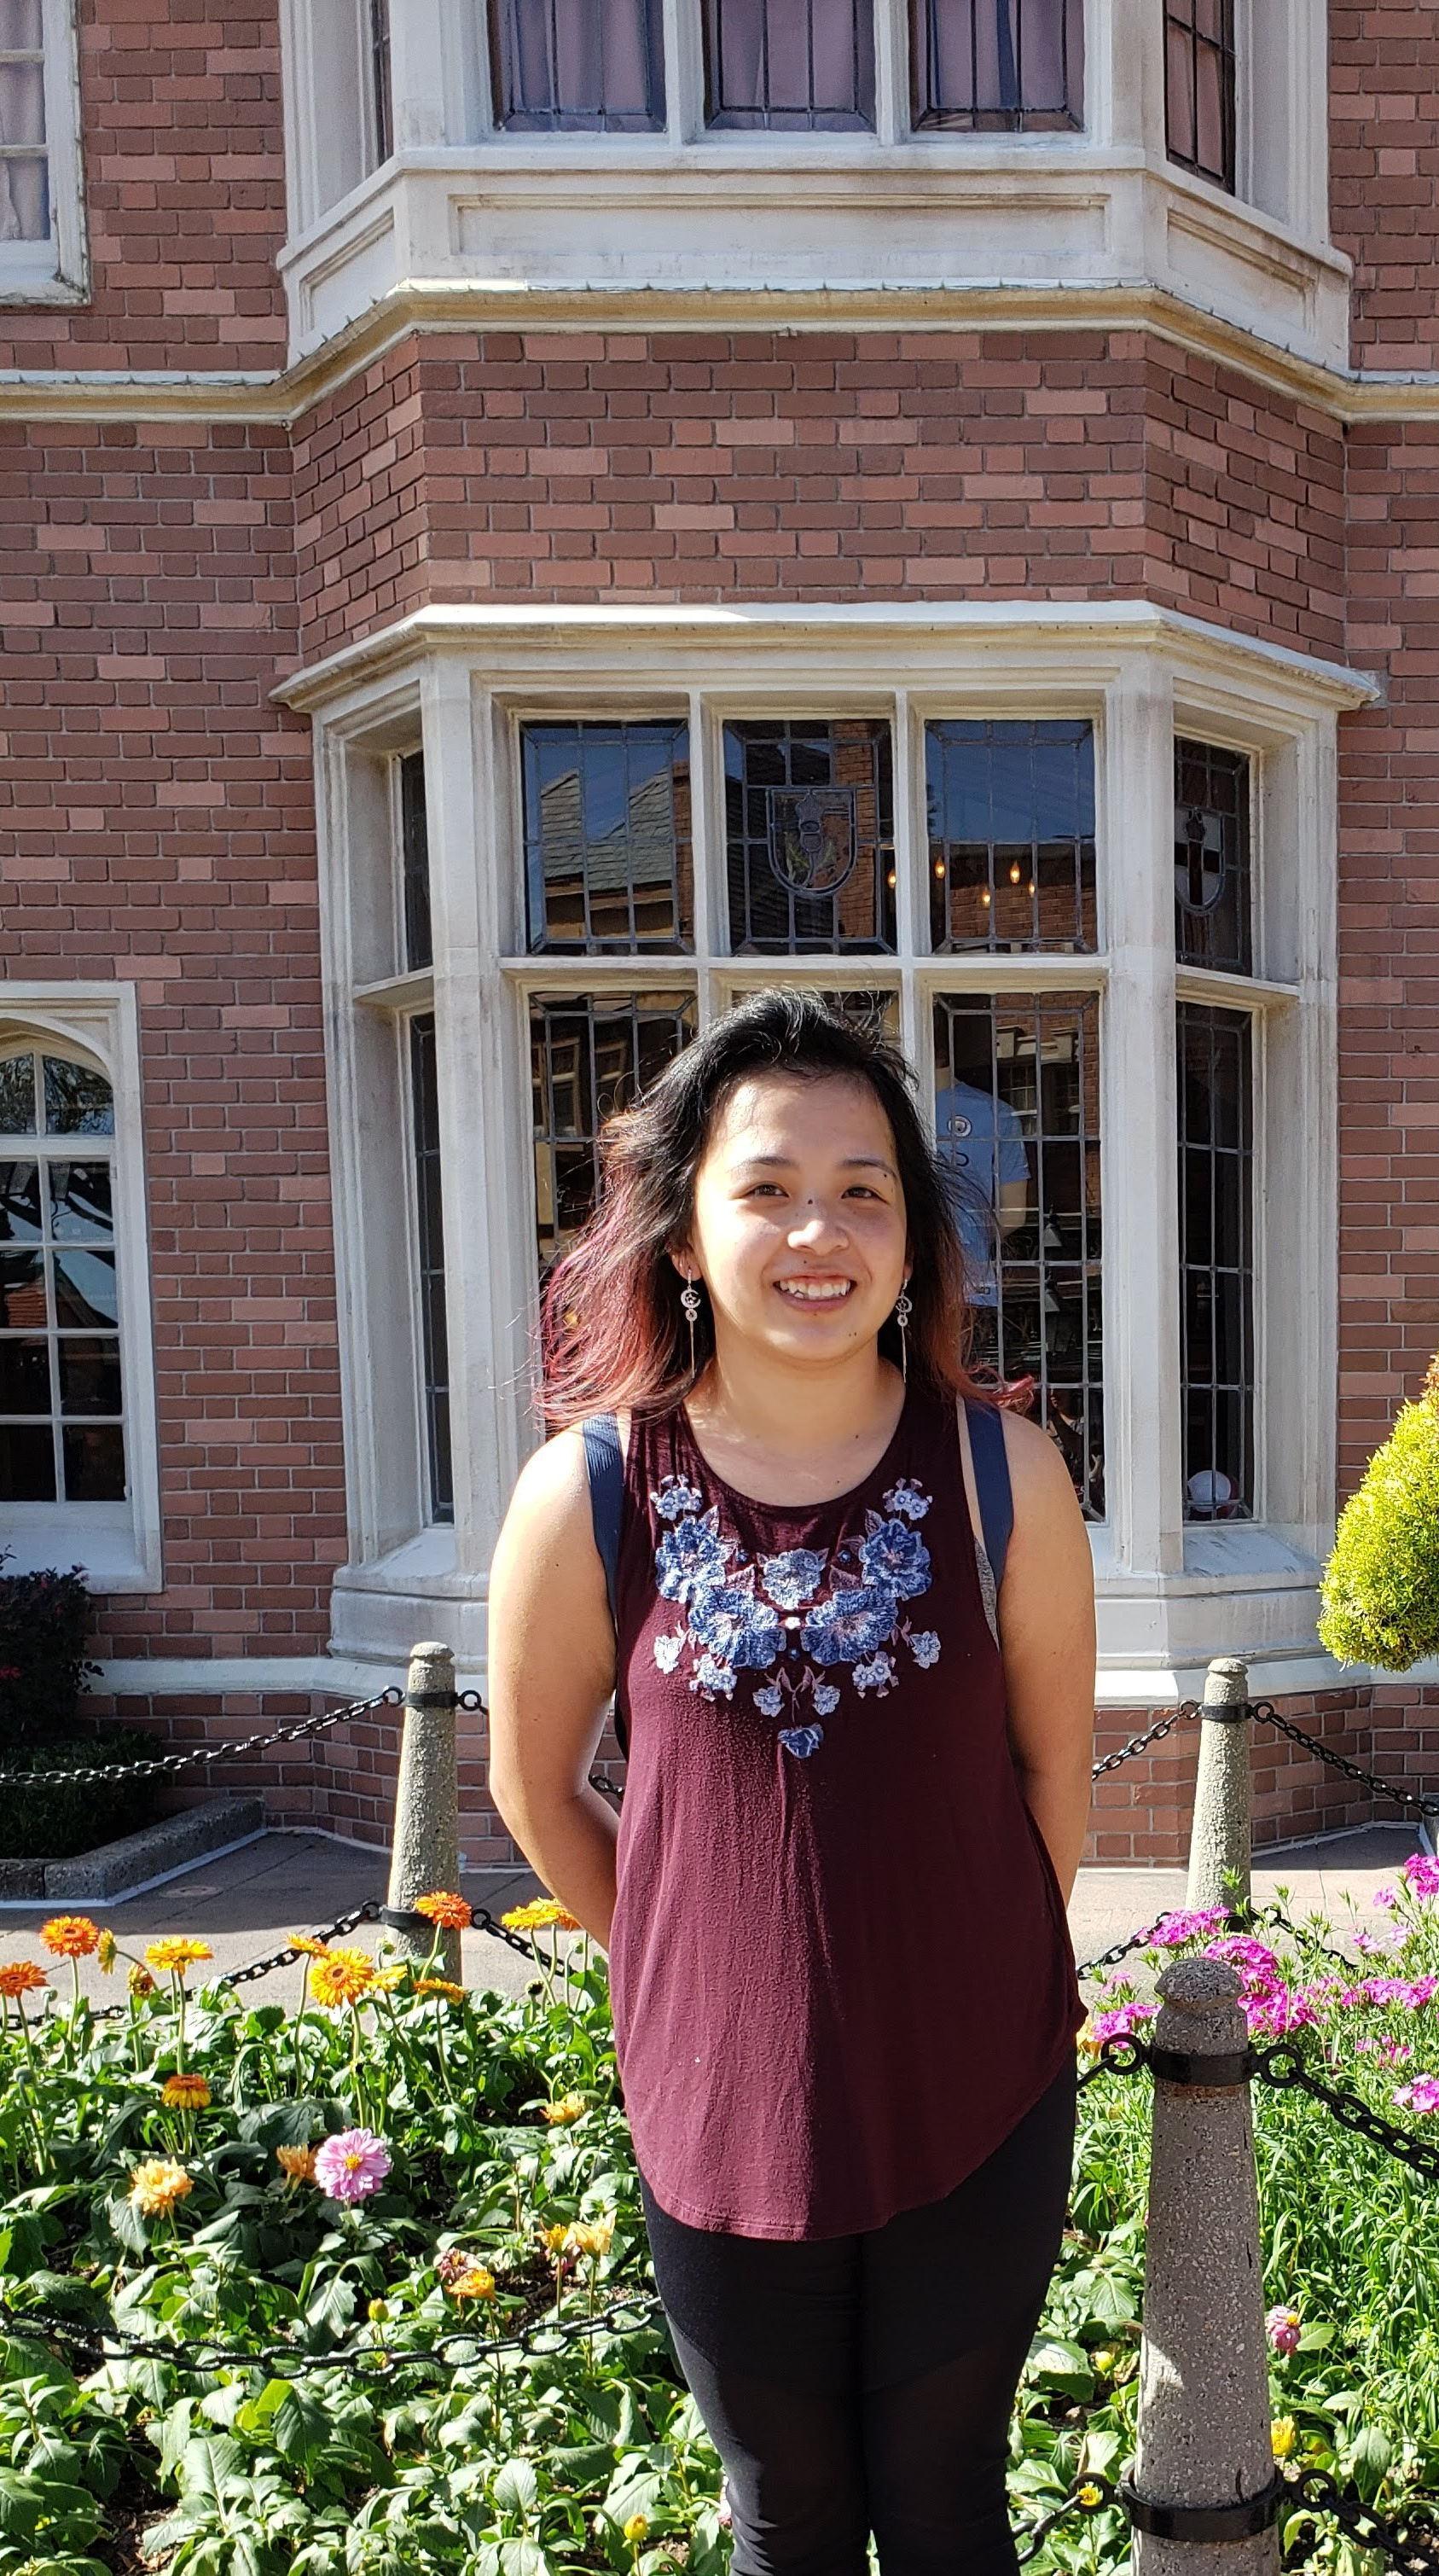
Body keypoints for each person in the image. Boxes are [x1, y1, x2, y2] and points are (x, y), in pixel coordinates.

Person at [486, 992, 1096, 2576]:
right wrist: (699, 1964)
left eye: (864, 1187)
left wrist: (962, 1967)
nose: (816, 1227)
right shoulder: (589, 1487)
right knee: (789, 2519)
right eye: (765, 1185)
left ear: (909, 1242)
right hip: (714, 2093)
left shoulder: (999, 1472)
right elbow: (537, 1788)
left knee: (951, 2499)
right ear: (683, 1233)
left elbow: (1048, 1774)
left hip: (980, 2078)